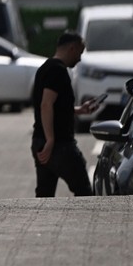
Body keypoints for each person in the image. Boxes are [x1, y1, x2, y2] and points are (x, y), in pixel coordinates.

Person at [30, 30, 101, 197]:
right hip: (59, 145)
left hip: (40, 141)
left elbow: (54, 106)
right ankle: (88, 223)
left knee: (44, 195)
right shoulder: (58, 71)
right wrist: (51, 139)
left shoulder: (45, 68)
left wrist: (80, 110)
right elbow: (46, 105)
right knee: (84, 192)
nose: (80, 58)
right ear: (72, 48)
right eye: (80, 52)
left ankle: (40, 223)